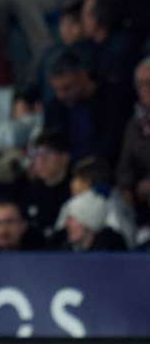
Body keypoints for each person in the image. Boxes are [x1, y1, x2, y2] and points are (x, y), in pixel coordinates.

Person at [43, 50, 131, 164]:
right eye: (56, 90)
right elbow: (51, 146)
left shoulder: (113, 100)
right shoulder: (55, 108)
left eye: (67, 88)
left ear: (83, 75)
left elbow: (112, 147)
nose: (61, 96)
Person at [117, 58, 150, 229]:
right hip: (142, 197)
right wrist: (126, 188)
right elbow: (125, 162)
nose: (145, 90)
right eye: (140, 85)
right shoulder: (136, 122)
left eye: (149, 83)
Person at [22, 131, 72, 242]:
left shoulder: (76, 191)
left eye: (47, 154)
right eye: (36, 154)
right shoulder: (29, 190)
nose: (40, 161)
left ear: (65, 157)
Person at [59, 189, 127, 251]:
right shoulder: (64, 248)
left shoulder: (112, 249)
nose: (66, 223)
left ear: (89, 222)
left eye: (72, 219)